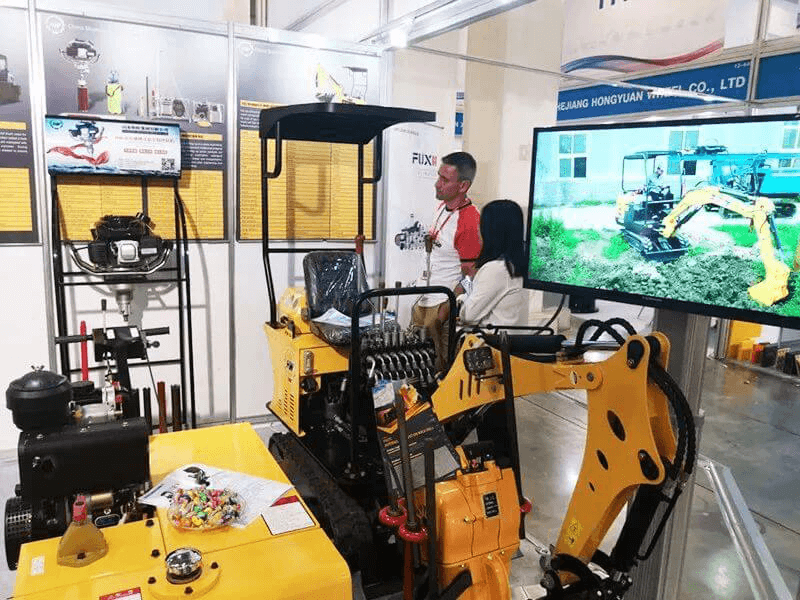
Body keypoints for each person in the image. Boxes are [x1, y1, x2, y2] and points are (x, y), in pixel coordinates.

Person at [412, 152, 481, 372]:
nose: (437, 184)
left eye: (444, 180)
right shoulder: (442, 207)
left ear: (463, 186)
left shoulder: (469, 220)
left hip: (441, 306)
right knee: (417, 367)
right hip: (423, 299)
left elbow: (472, 274)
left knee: (439, 371)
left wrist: (447, 308)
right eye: (438, 177)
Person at [458, 199, 526, 327]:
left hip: (493, 338)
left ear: (490, 231)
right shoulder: (517, 265)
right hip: (513, 337)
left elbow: (468, 315)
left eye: (481, 225)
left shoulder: (496, 269)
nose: (478, 230)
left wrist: (460, 298)